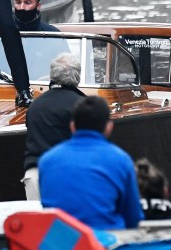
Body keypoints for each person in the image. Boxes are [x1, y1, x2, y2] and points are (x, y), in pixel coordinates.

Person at [39, 95, 144, 229]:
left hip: (60, 247)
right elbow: (133, 217)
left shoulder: (46, 161)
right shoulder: (121, 160)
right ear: (109, 127)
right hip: (105, 245)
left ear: (72, 126)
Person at [22, 52, 85, 201]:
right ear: (77, 76)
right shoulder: (82, 106)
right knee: (66, 223)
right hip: (66, 174)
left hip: (34, 175)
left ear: (52, 74)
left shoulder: (35, 105)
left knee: (38, 223)